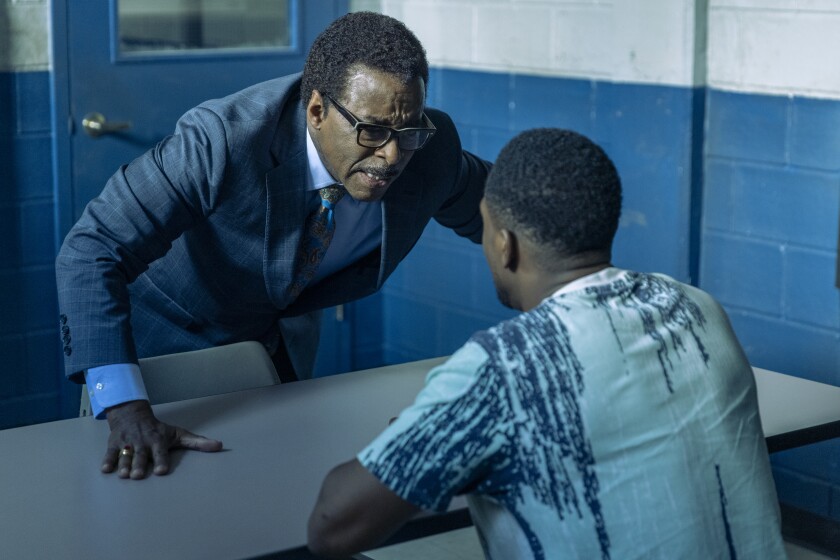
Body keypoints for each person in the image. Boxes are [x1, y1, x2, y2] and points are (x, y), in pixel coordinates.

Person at [307, 128, 786, 559]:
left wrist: (429, 434)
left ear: (504, 244)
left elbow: (331, 527)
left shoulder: (505, 366)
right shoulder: (696, 306)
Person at [55, 12, 489, 480]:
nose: (392, 156)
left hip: (279, 350)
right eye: (374, 132)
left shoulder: (427, 151)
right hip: (166, 349)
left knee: (273, 490)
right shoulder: (222, 140)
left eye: (408, 134)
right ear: (317, 111)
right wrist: (123, 406)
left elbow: (514, 218)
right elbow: (92, 248)